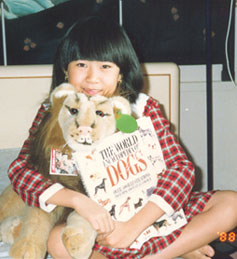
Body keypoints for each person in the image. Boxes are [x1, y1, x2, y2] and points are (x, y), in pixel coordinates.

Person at [8, 16, 237, 259]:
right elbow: (20, 169)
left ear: (120, 73)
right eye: (82, 64)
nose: (92, 78)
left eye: (105, 66)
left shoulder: (143, 108)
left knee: (231, 205)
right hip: (99, 226)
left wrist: (133, 228)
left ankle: (157, 252)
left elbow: (181, 170)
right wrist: (78, 201)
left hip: (150, 214)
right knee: (58, 242)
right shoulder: (54, 111)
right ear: (66, 69)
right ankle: (178, 249)